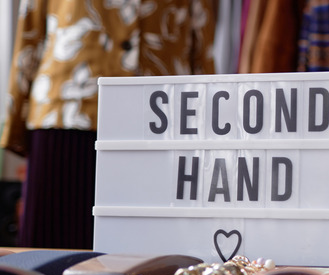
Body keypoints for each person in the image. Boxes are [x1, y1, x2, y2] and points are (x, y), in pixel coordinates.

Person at [1, 0, 215, 249]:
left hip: (161, 117)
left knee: (150, 261)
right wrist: (15, 119)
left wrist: (206, 126)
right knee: (52, 259)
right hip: (67, 111)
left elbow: (201, 36)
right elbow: (30, 28)